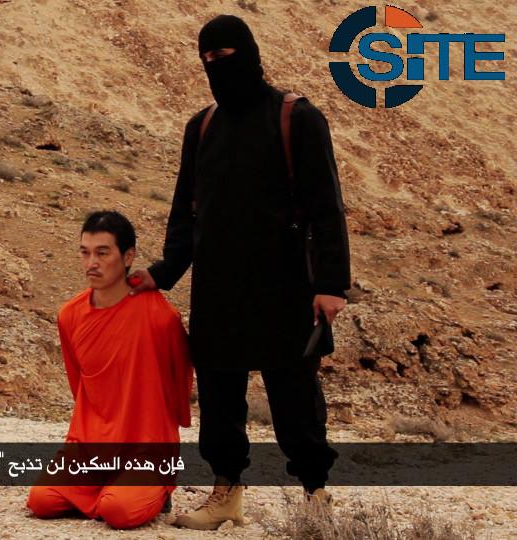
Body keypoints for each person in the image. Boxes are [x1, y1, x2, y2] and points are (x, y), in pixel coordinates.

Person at [127, 15, 351, 530]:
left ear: (249, 54)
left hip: (285, 285)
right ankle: (226, 492)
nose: (216, 67)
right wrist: (163, 272)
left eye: (224, 56)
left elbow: (327, 207)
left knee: (294, 397)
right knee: (219, 394)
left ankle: (315, 494)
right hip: (217, 287)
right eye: (206, 59)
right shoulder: (202, 127)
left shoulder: (297, 117)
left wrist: (331, 284)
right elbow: (185, 212)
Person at [26, 210, 194, 530]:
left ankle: (154, 489)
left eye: (103, 253)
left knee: (118, 510)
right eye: (85, 252)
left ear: (128, 256)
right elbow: (79, 384)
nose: (92, 263)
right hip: (90, 446)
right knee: (41, 500)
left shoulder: (161, 317)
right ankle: (108, 489)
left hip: (146, 447)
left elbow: (179, 379)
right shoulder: (70, 315)